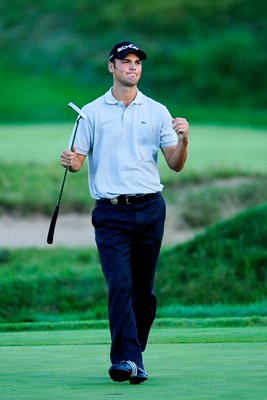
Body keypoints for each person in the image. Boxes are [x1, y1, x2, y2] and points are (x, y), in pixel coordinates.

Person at [60, 41, 189, 384]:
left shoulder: (158, 111)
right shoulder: (91, 112)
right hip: (110, 214)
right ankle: (125, 360)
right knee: (120, 284)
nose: (132, 67)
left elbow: (174, 165)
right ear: (111, 67)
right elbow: (78, 162)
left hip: (150, 209)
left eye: (136, 63)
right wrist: (72, 162)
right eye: (125, 62)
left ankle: (135, 354)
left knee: (143, 293)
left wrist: (184, 140)